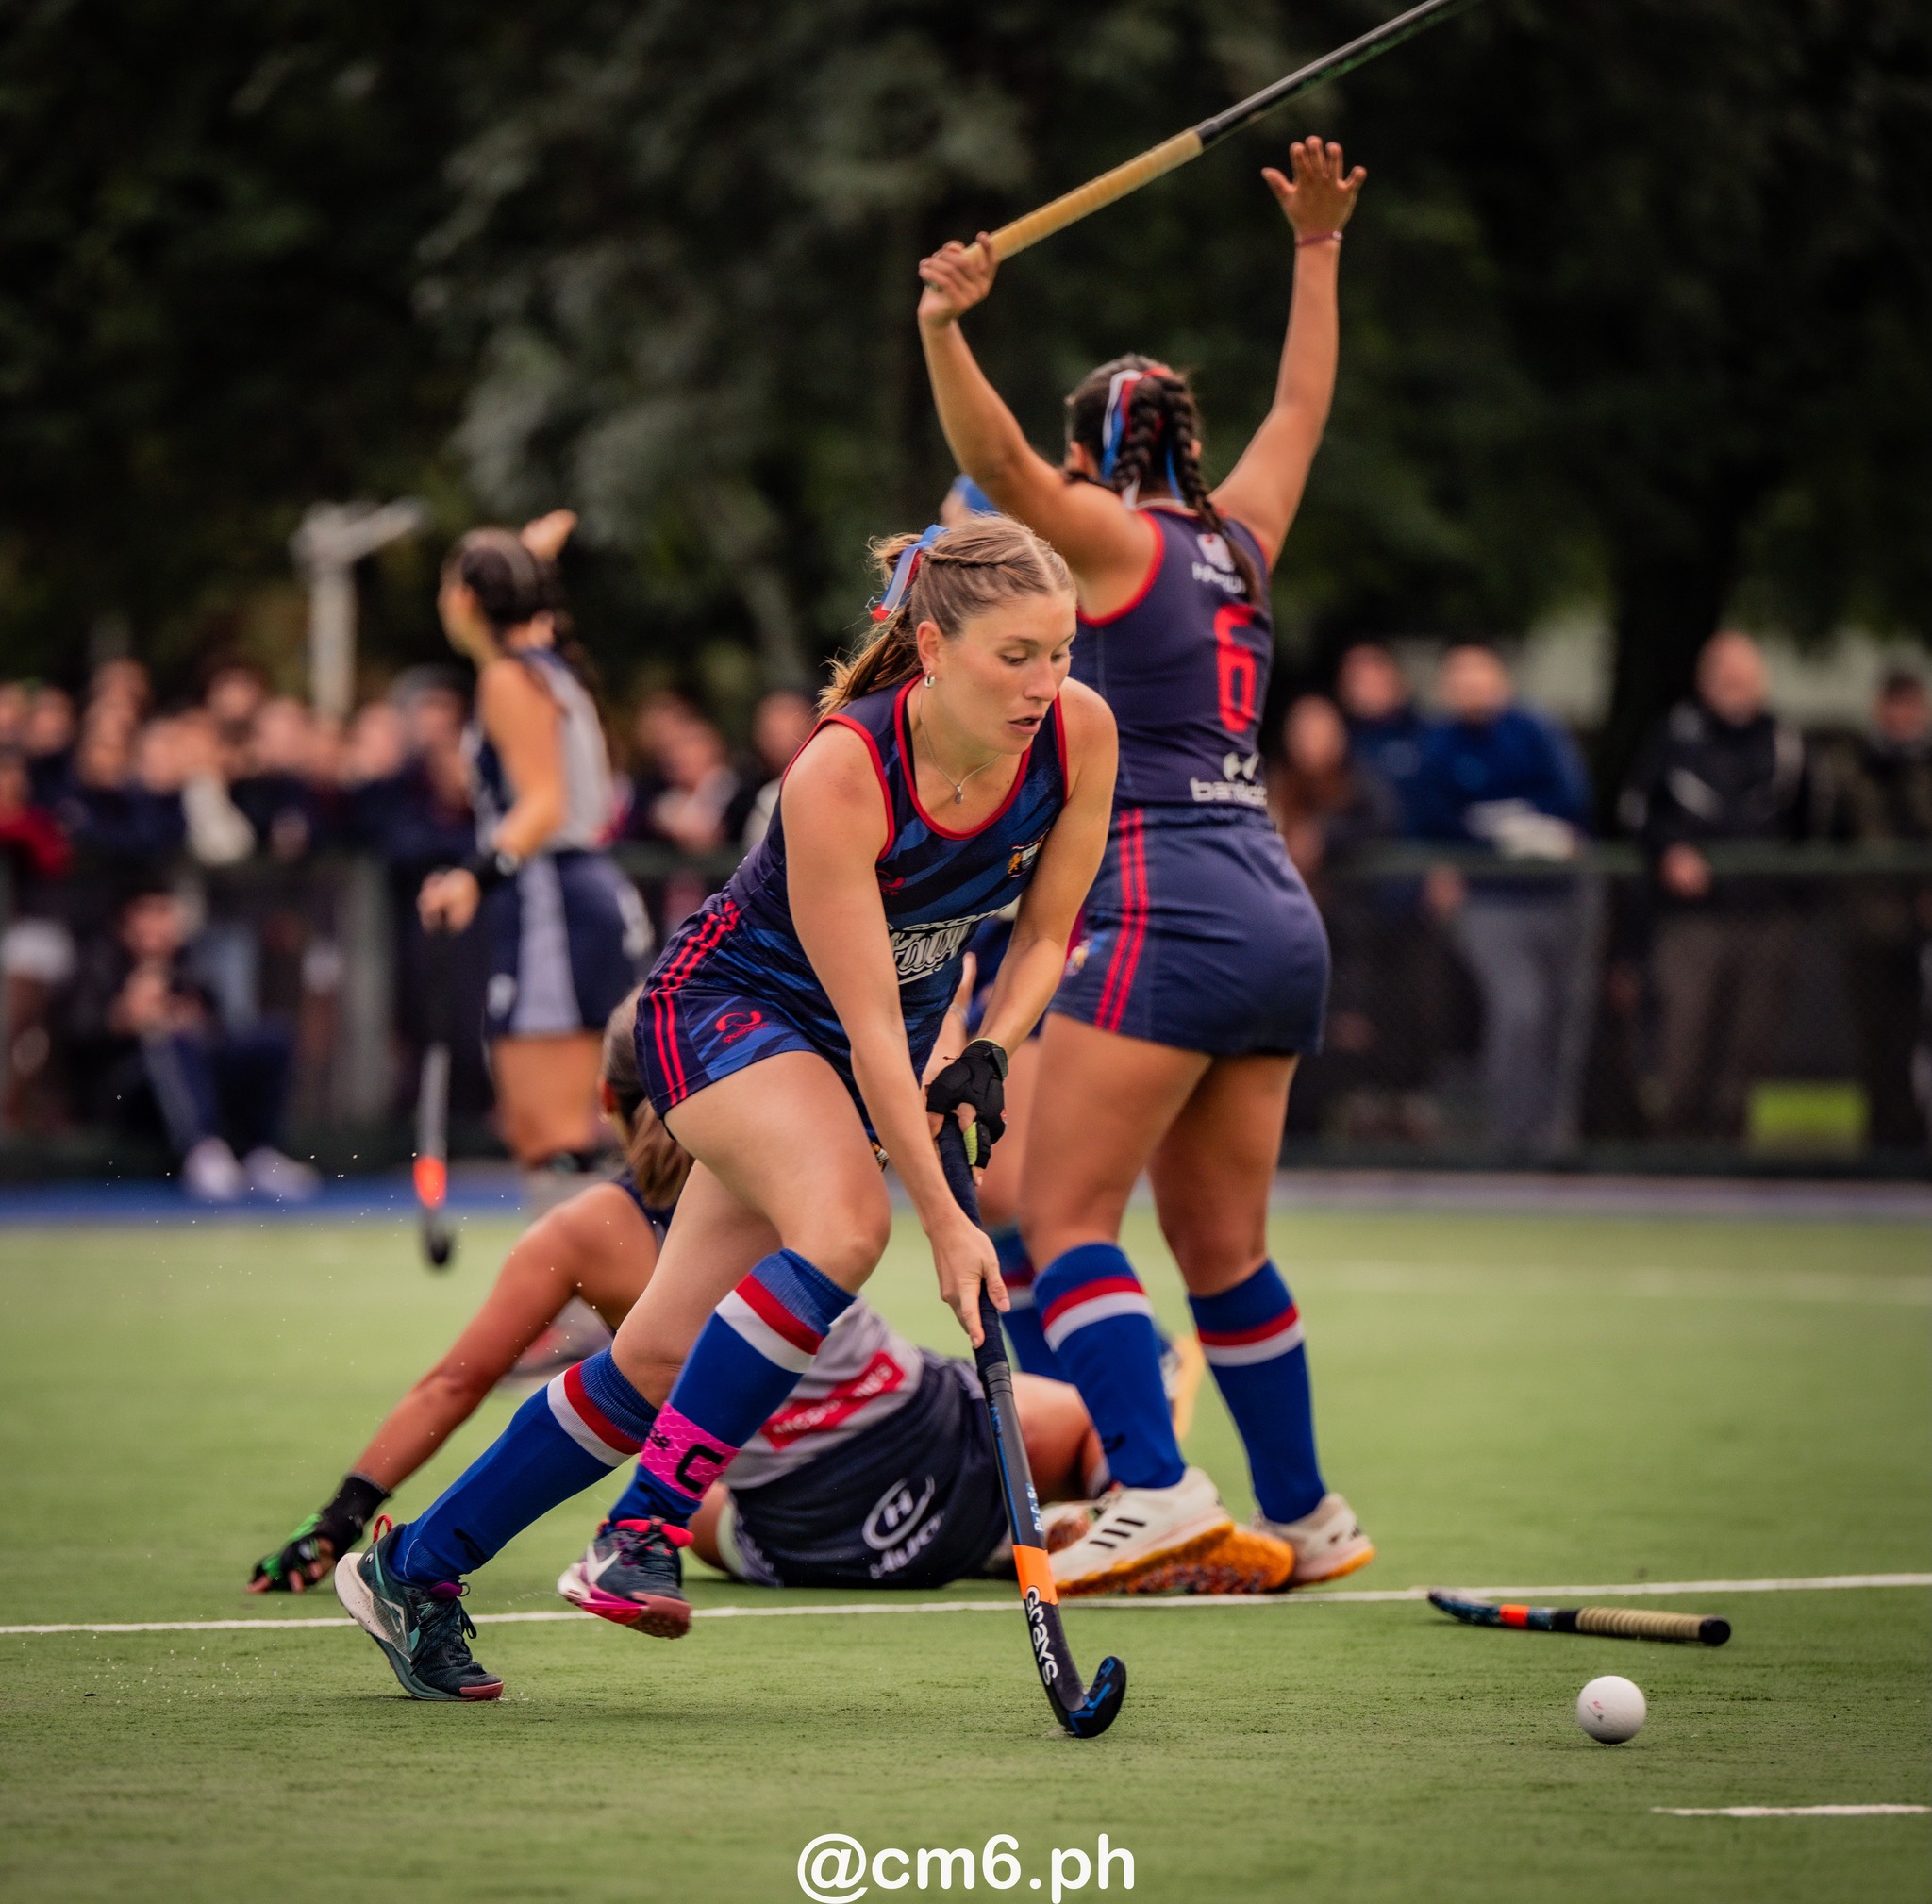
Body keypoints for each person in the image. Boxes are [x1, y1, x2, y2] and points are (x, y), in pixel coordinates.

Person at [334, 513, 1120, 1700]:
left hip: (868, 1048)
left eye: (1060, 650)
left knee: (650, 1352)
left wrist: (996, 1048)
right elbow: (858, 1029)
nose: (1044, 681)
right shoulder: (842, 770)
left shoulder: (1078, 735)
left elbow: (1050, 930)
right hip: (727, 1012)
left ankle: (418, 1567)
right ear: (932, 644)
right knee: (849, 1226)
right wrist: (949, 1224)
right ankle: (639, 1529)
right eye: (1015, 655)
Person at [913, 137, 1374, 1594]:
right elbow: (1305, 401)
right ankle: (1304, 1515)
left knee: (1061, 1224)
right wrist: (1316, 248)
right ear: (1183, 439)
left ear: (1099, 459)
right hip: (1274, 910)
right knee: (1223, 1250)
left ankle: (1158, 1487)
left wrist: (942, 324)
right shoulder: (1244, 537)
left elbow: (989, 466)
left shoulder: (1111, 544)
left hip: (1167, 900)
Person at [256, 991, 1214, 1611]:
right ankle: (1107, 1506)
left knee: (687, 1445)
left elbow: (453, 1384)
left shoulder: (582, 1233)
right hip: (935, 1449)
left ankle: (509, 1547)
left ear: (607, 1100)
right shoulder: (810, 1148)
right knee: (1093, 1415)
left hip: (790, 1535)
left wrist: (340, 1514)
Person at [416, 512, 652, 1209]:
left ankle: (593, 1310)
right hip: (577, 896)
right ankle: (594, 1303)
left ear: (463, 600)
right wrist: (531, 554)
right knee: (560, 1129)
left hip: (552, 897)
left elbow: (542, 805)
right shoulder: (547, 662)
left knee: (551, 1135)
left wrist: (471, 875)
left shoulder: (508, 679)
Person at [1620, 630, 1810, 1140]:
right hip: (1691, 918)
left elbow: (1813, 825)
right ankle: (1677, 1158)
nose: (1734, 683)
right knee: (1684, 1043)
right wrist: (1669, 852)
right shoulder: (1677, 735)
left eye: (1743, 673)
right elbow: (1637, 811)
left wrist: (1787, 890)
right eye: (1723, 672)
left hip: (1764, 917)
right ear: (1705, 680)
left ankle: (1733, 1160)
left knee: (1748, 1049)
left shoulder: (1785, 741)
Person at [1409, 644, 1597, 1156]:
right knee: (1519, 1010)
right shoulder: (1440, 744)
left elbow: (1570, 801)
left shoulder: (1536, 731)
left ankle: (1556, 1140)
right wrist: (1495, 834)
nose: (1472, 688)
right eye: (1461, 679)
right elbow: (1434, 820)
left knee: (1565, 1018)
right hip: (1488, 897)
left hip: (1558, 893)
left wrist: (1512, 824)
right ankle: (1510, 1140)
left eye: (1481, 677)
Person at [64, 885, 317, 1201]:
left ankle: (259, 1154)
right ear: (125, 924)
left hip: (200, 1084)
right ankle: (204, 1153)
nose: (158, 924)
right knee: (166, 1038)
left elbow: (222, 1031)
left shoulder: (191, 966)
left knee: (272, 1037)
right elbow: (79, 1035)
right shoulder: (98, 964)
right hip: (130, 1094)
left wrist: (193, 1020)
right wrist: (123, 1019)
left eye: (164, 912)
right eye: (148, 913)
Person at [1819, 669, 1932, 1149]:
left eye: (1911, 706)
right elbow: (1830, 834)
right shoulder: (1854, 766)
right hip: (1871, 923)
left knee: (1918, 1040)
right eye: (1894, 705)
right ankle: (1887, 1141)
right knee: (1877, 1042)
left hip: (1924, 927)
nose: (1901, 717)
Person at [1335, 641, 1428, 828]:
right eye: (1360, 680)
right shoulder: (1337, 744)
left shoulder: (1425, 736)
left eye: (1376, 676)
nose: (1369, 689)